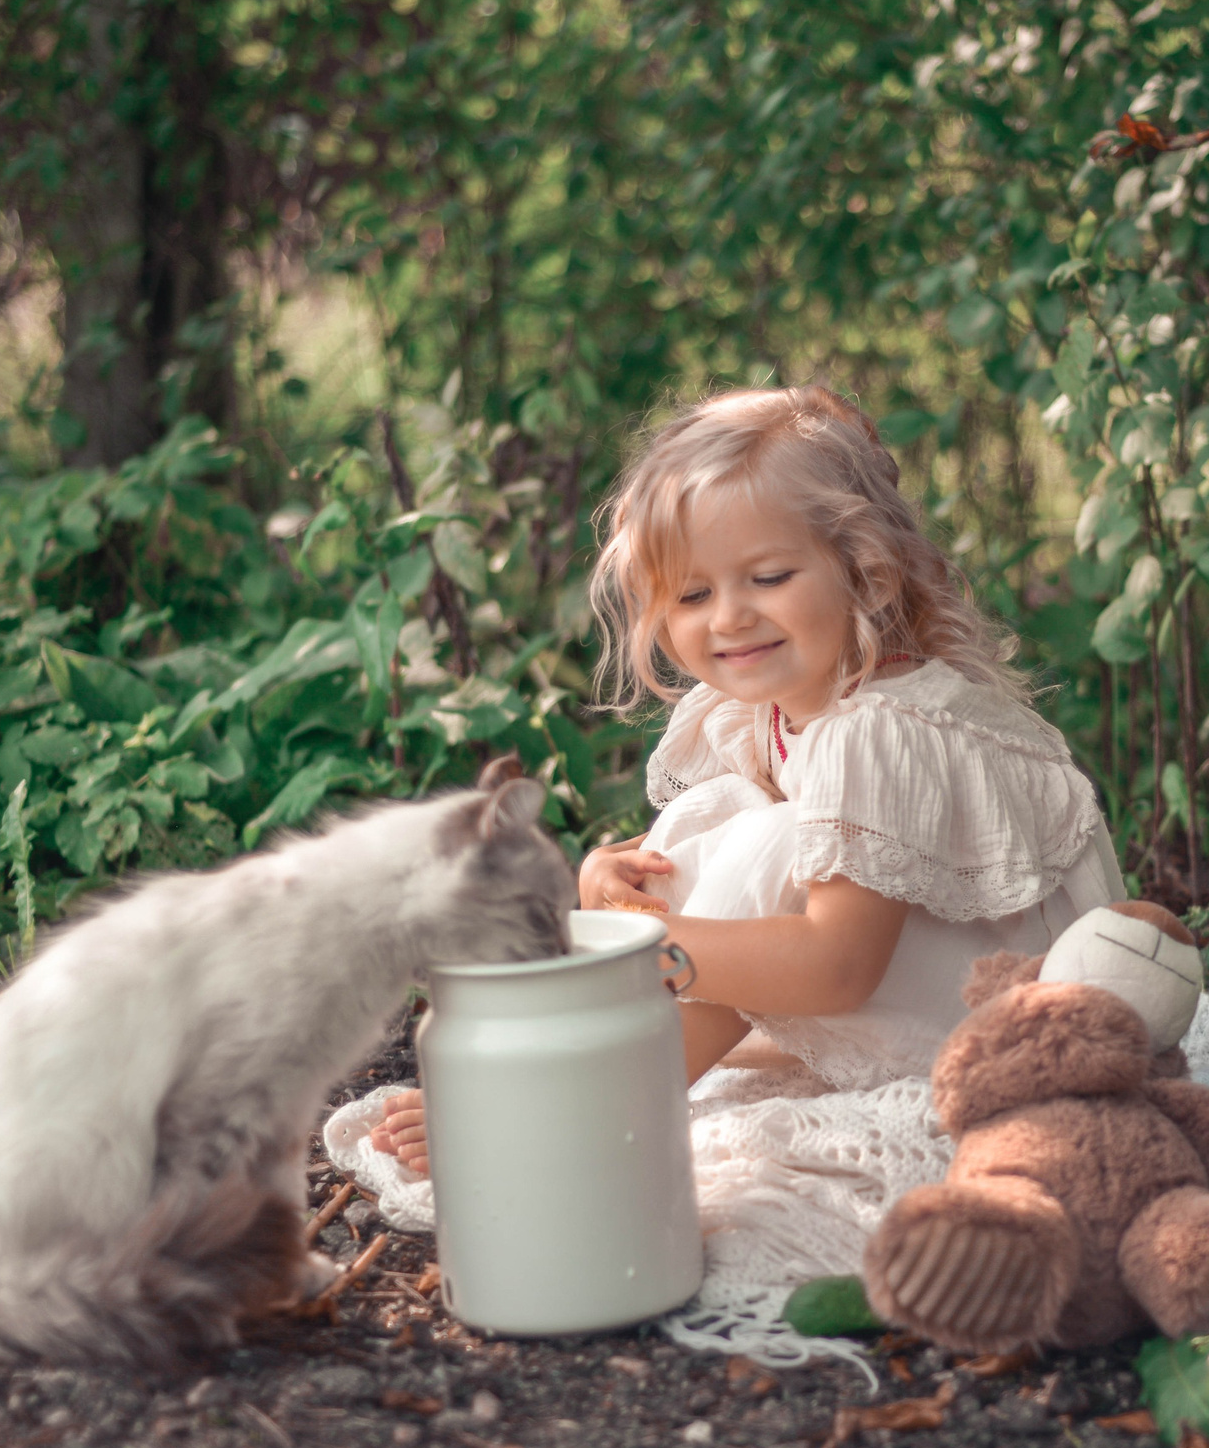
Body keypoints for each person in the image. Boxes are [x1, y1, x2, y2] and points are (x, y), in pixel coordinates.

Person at [367, 384, 1128, 1177]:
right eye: (694, 594)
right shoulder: (777, 704)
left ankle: (579, 1102)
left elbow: (836, 964)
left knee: (760, 846)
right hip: (927, 991)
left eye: (767, 577)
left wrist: (641, 943)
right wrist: (608, 886)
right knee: (717, 818)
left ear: (865, 575)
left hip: (1009, 1022)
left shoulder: (881, 728)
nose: (728, 616)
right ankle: (581, 1072)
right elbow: (721, 864)